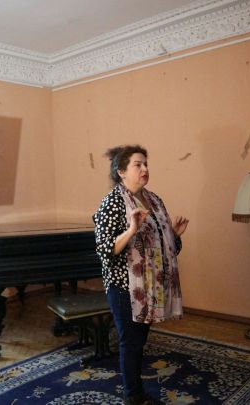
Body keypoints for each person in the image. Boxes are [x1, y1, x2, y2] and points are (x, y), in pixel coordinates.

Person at [93, 145, 189, 405]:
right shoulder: (112, 203)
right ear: (121, 171)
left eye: (146, 164)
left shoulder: (154, 200)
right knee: (131, 342)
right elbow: (105, 250)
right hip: (124, 286)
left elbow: (163, 247)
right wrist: (132, 229)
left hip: (149, 286)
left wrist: (174, 235)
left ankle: (135, 391)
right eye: (138, 164)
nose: (145, 169)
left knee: (139, 340)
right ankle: (132, 396)